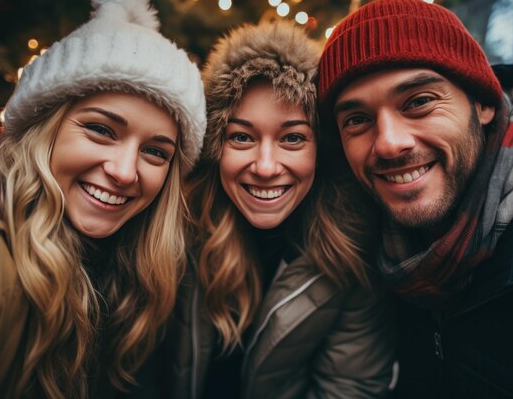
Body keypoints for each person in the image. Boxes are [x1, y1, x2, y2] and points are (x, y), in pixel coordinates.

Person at [317, 0, 513, 399]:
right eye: (357, 119)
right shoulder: (368, 251)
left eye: (419, 101)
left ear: (482, 103)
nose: (389, 143)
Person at [0, 0, 206, 398]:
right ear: (45, 125)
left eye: (155, 151)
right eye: (100, 130)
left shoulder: (144, 268)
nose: (125, 172)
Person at [153, 21, 395, 399]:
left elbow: (349, 388)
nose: (265, 166)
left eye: (293, 138)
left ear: (322, 150)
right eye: (242, 137)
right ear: (214, 148)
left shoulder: (351, 254)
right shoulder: (172, 233)